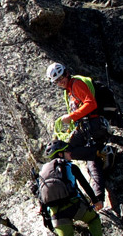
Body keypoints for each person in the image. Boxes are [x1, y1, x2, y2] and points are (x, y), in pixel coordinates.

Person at [36, 139, 108, 236]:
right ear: (60, 153)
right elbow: (84, 184)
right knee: (94, 218)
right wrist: (96, 201)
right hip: (73, 205)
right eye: (68, 152)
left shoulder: (42, 172)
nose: (71, 154)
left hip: (55, 213)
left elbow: (40, 197)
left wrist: (44, 215)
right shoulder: (68, 166)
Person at [45, 62, 110, 207]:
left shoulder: (76, 84)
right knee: (92, 161)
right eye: (57, 81)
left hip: (94, 125)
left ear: (66, 73)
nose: (60, 82)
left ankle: (100, 152)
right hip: (89, 127)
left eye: (61, 78)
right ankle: (98, 199)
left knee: (67, 150)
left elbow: (91, 103)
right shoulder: (69, 90)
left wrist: (72, 117)